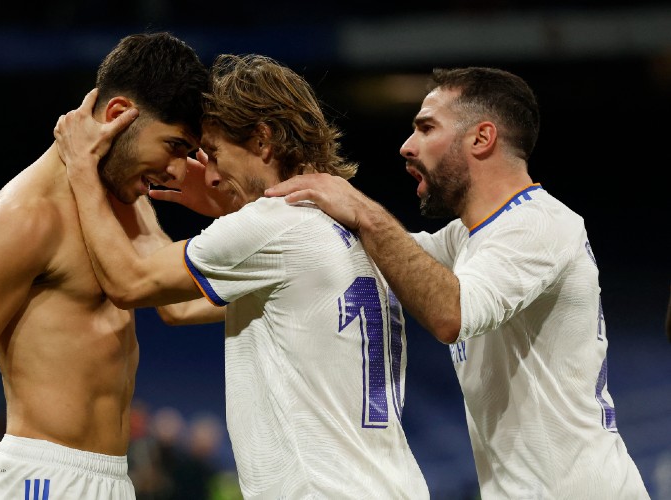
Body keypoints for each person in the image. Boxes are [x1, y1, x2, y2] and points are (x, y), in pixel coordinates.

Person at [53, 54, 430, 499]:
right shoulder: (344, 225)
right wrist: (228, 209)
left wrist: (85, 168)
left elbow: (130, 283)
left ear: (262, 141)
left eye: (214, 154)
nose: (210, 176)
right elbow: (178, 308)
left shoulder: (273, 223)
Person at [266, 66, 649, 499]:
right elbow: (368, 258)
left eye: (426, 127)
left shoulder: (538, 224)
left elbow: (452, 314)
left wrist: (364, 211)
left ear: (481, 138)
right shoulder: (469, 238)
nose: (406, 146)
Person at [0, 31, 222, 500]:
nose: (179, 171)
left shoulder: (126, 200)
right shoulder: (27, 217)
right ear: (118, 115)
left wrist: (282, 276)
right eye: (175, 146)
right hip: (41, 478)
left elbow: (176, 304)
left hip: (112, 478)